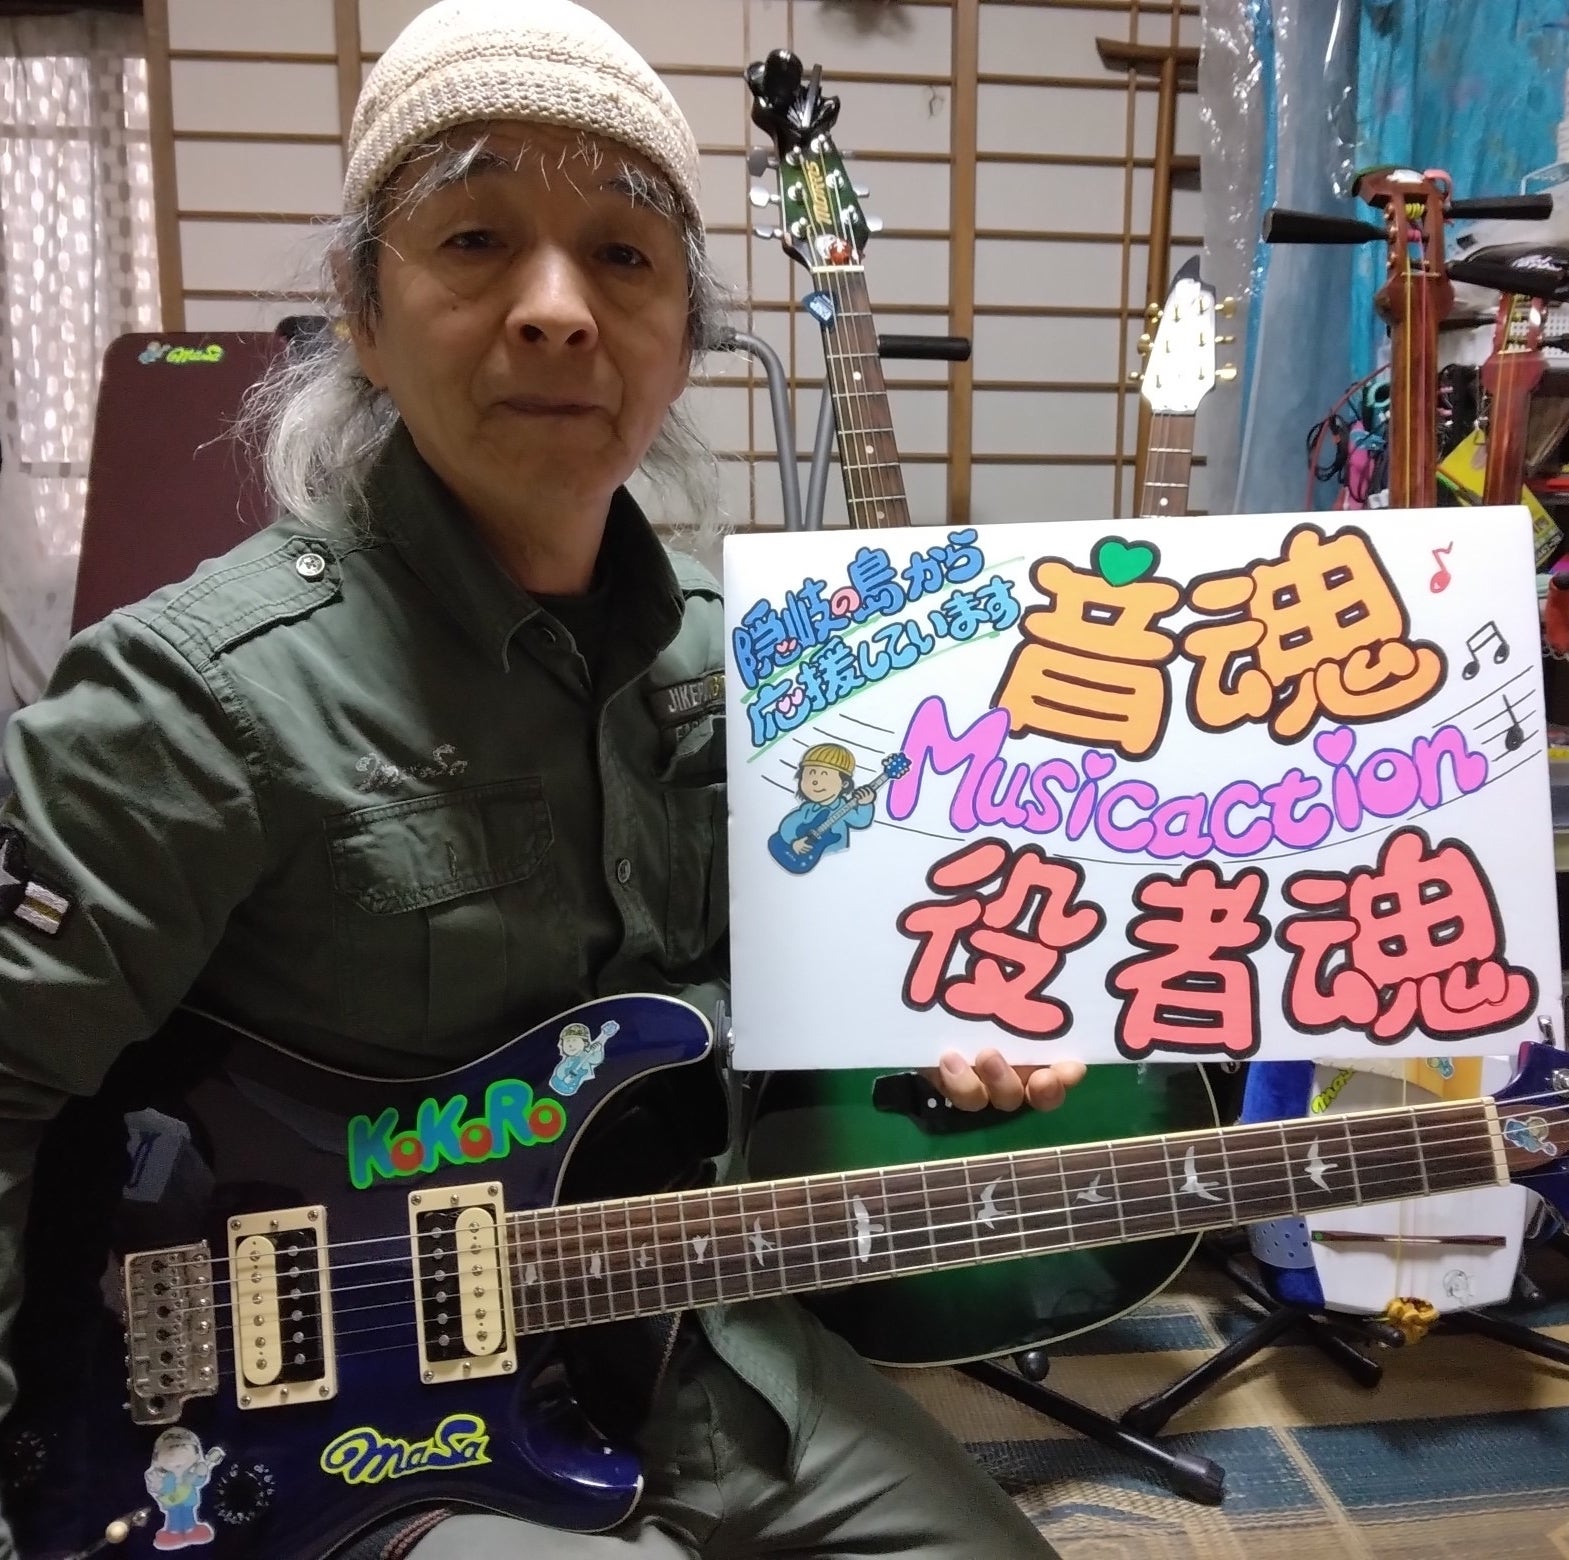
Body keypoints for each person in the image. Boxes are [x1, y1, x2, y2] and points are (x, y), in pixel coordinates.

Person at [0, 2, 1086, 1555]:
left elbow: (784, 1027)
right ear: (361, 310)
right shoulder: (196, 697)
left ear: (682, 333)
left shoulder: (757, 665)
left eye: (625, 256)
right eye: (474, 240)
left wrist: (937, 1039)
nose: (560, 310)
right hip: (311, 1429)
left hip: (694, 1346)